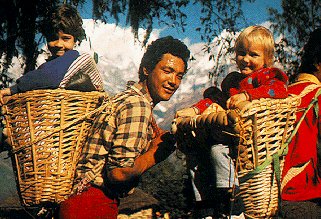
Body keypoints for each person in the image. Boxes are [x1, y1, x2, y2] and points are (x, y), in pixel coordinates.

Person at [58, 36, 190, 219]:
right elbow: (118, 173)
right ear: (146, 69)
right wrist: (154, 155)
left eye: (179, 76)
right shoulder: (138, 105)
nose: (173, 81)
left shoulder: (125, 99)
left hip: (81, 201)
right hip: (91, 205)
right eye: (167, 71)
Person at [175, 25, 289, 218]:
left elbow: (279, 90)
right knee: (196, 155)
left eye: (253, 55)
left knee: (217, 150)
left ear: (266, 59)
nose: (246, 59)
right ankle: (204, 205)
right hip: (228, 135)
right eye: (241, 53)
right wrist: (196, 109)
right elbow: (216, 99)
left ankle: (229, 195)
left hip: (251, 143)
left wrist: (248, 96)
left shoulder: (267, 77)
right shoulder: (232, 81)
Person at [0, 4, 103, 105]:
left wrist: (12, 90)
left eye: (66, 38)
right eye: (53, 38)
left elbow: (47, 76)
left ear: (75, 40)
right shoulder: (52, 63)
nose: (58, 44)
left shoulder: (73, 57)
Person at [281, 28, 321, 218]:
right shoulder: (317, 97)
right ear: (318, 63)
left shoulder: (284, 93)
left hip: (274, 194)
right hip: (306, 198)